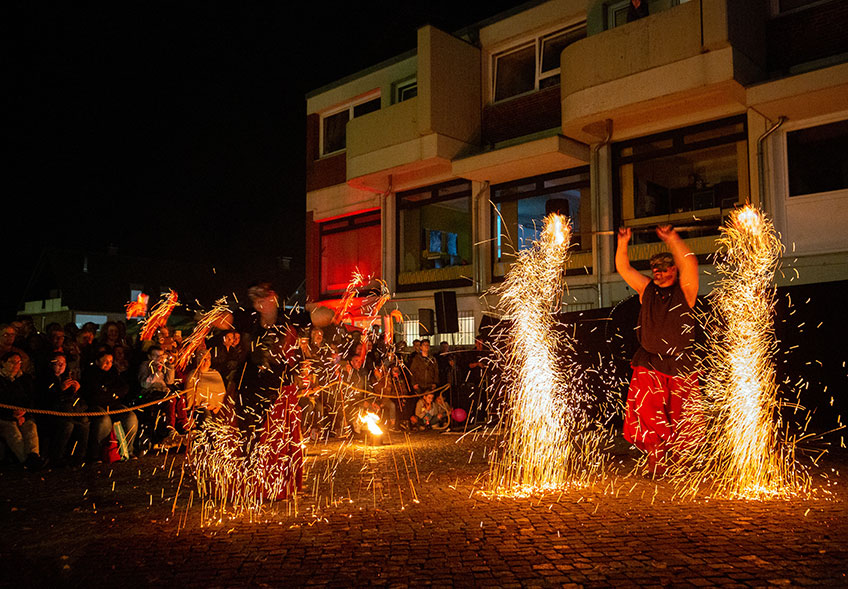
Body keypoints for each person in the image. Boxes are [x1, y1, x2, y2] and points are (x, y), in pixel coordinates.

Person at [615, 224, 702, 476]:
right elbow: (624, 268)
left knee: (684, 415)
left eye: (664, 268)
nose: (658, 272)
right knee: (648, 413)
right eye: (655, 268)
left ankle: (681, 461)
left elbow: (690, 262)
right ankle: (656, 459)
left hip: (680, 365)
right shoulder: (647, 289)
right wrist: (623, 242)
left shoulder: (686, 291)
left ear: (674, 269)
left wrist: (672, 238)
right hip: (649, 363)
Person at [81, 349, 138, 460]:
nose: (109, 364)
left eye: (111, 361)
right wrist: (112, 394)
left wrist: (111, 393)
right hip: (96, 405)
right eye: (105, 361)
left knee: (130, 417)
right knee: (104, 420)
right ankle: (97, 454)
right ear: (97, 361)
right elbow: (95, 394)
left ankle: (127, 450)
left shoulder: (113, 372)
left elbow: (124, 387)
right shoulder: (90, 373)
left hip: (113, 405)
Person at [35, 352, 89, 465]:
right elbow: (45, 400)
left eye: (63, 363)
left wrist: (76, 390)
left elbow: (76, 400)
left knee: (84, 423)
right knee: (67, 425)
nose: (61, 366)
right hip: (51, 414)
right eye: (58, 363)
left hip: (69, 412)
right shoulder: (44, 379)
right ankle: (57, 457)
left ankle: (78, 457)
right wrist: (60, 389)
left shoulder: (67, 378)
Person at [0, 352, 46, 469]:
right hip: (4, 416)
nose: (16, 365)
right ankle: (26, 460)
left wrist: (23, 413)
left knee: (30, 428)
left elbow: (31, 398)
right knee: (14, 433)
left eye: (19, 362)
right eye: (12, 362)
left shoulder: (25, 379)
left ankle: (34, 456)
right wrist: (12, 415)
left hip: (23, 414)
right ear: (3, 363)